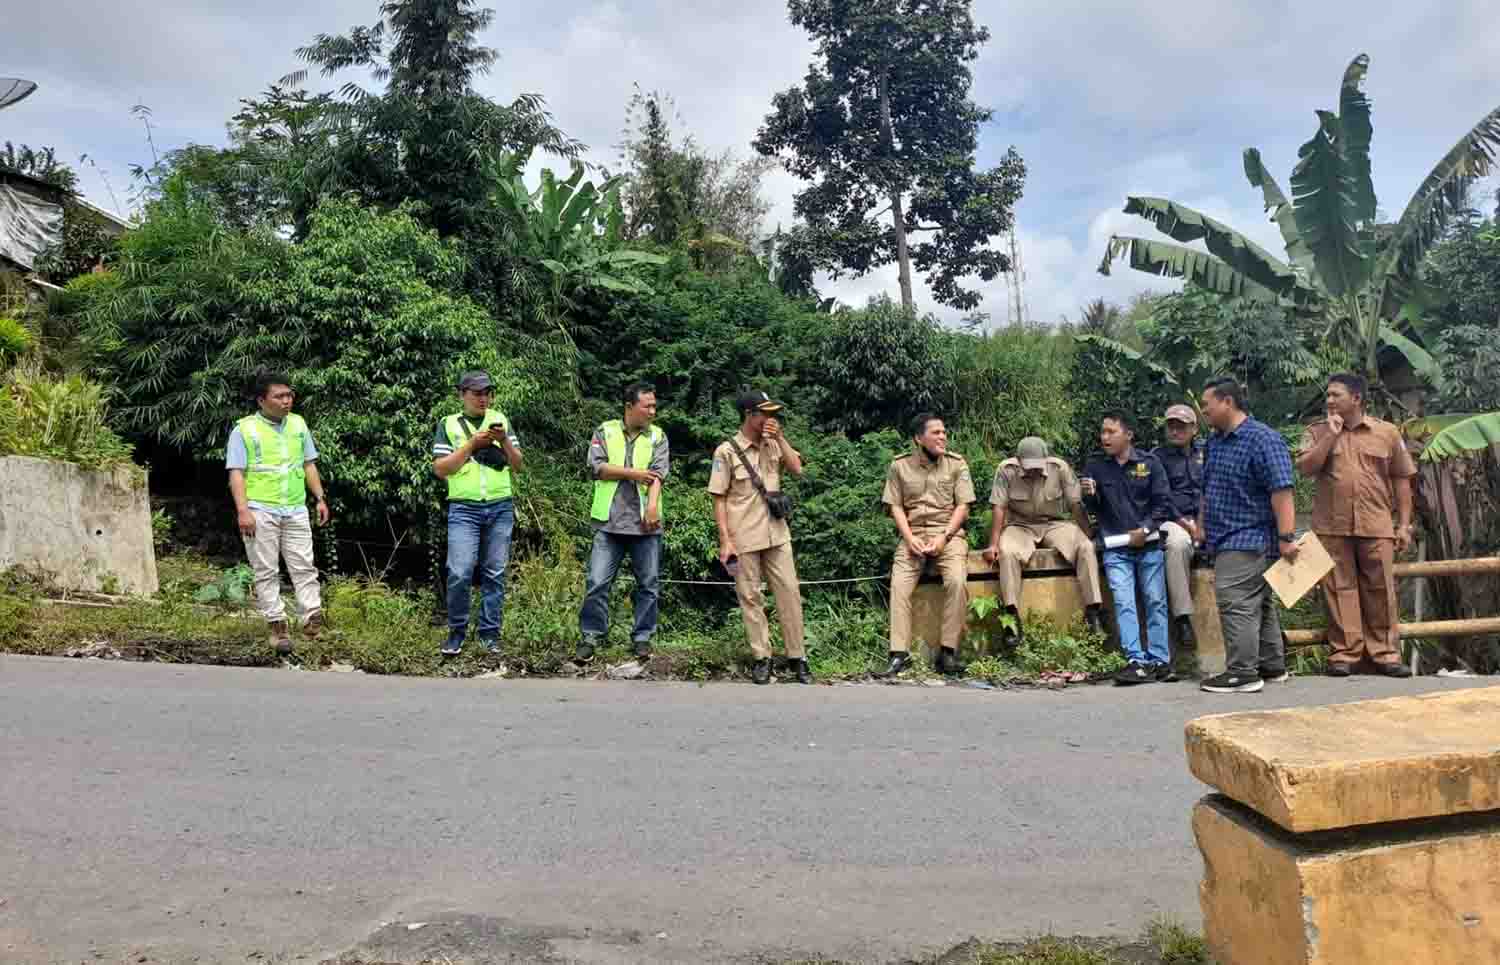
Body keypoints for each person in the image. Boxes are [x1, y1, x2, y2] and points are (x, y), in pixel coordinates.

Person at [1296, 373, 1416, 678]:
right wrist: (1330, 436)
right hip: (1331, 526)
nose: (1329, 400)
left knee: (1381, 590)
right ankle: (1345, 654)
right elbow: (1306, 469)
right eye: (1328, 395)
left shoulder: (1387, 433)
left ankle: (1385, 653)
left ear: (1357, 399)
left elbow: (1401, 480)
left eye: (1336, 395)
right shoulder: (1316, 431)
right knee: (1339, 589)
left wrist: (1403, 526)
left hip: (1376, 524)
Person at [1198, 377, 1299, 694]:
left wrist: (1286, 538)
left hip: (1250, 539)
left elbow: (1282, 491)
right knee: (1261, 603)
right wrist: (1202, 524)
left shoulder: (1263, 439)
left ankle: (1243, 672)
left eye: (1207, 404)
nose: (1204, 411)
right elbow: (1208, 488)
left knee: (1235, 602)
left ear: (1227, 401)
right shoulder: (1215, 441)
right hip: (1224, 536)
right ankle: (1271, 665)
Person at [708, 390, 811, 685]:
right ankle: (761, 658)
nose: (770, 418)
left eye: (773, 413)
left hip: (777, 534)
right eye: (765, 413)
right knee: (751, 598)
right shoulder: (726, 451)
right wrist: (725, 540)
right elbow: (719, 498)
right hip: (743, 536)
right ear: (749, 415)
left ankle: (798, 657)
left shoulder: (773, 444)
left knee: (789, 593)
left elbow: (797, 468)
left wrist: (780, 437)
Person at [226, 372, 330, 655]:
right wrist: (243, 510)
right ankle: (277, 626)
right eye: (279, 396)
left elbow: (309, 464)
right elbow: (236, 472)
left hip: (295, 506)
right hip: (260, 509)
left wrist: (319, 498)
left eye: (289, 395)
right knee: (266, 570)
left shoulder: (298, 424)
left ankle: (311, 619)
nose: (287, 401)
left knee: (304, 565)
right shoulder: (244, 429)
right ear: (262, 400)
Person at [576, 382, 669, 663]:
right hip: (609, 522)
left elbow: (658, 475)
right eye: (647, 406)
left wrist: (652, 506)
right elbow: (598, 468)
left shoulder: (658, 436)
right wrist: (633, 473)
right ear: (629, 406)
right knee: (597, 582)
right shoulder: (605, 431)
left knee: (648, 584)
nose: (653, 411)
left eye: (654, 405)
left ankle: (642, 638)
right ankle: (591, 636)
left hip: (645, 523)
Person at [431, 371, 523, 656]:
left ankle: (489, 635)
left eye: (487, 393)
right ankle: (456, 631)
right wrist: (472, 445)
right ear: (462, 394)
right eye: (476, 393)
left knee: (494, 572)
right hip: (464, 507)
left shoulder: (501, 420)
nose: (483, 398)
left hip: (500, 505)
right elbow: (440, 469)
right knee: (459, 571)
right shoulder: (448, 424)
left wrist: (504, 440)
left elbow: (518, 465)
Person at [1082, 411, 1176, 685]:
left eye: (1111, 431)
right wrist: (1089, 495)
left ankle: (1161, 662)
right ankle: (1136, 661)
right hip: (1115, 547)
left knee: (1155, 600)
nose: (1105, 437)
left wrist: (1145, 529)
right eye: (1103, 432)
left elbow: (1163, 504)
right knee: (1124, 603)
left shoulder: (1150, 463)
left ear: (1129, 435)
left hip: (1148, 545)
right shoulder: (1096, 466)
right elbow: (1093, 509)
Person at [983, 436, 1105, 640]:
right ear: (1018, 460)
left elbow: (1075, 505)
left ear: (1046, 459)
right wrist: (993, 544)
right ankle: (1011, 617)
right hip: (1019, 525)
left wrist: (1089, 534)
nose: (1033, 470)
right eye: (1028, 466)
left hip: (1054, 523)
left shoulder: (1060, 468)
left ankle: (1094, 613)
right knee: (1008, 552)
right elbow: (999, 507)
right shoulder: (1006, 470)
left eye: (1038, 466)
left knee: (1085, 547)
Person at [881, 413, 976, 677]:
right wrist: (909, 538)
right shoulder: (899, 466)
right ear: (918, 438)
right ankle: (898, 654)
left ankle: (948, 653)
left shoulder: (957, 464)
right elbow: (895, 506)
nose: (942, 437)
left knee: (957, 581)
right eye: (936, 433)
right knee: (899, 585)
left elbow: (963, 507)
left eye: (944, 432)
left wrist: (943, 538)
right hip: (912, 534)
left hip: (948, 534)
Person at [1152, 403, 1207, 647]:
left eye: (1181, 426)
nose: (1175, 431)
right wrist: (1186, 524)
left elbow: (1214, 489)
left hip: (1207, 517)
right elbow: (1162, 497)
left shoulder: (1208, 452)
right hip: (1173, 519)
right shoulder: (1157, 458)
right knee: (1176, 544)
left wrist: (1203, 524)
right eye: (1171, 426)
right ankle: (1183, 618)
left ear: (1194, 429)